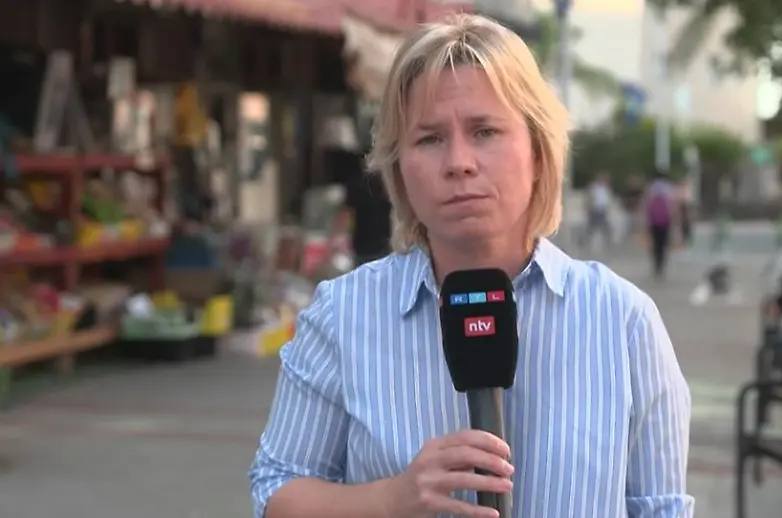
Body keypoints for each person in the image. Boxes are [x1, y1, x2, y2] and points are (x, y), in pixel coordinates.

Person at [249, 14, 693, 518]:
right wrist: (391, 499)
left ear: (539, 151)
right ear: (399, 167)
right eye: (429, 138)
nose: (459, 162)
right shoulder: (342, 315)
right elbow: (275, 490)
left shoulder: (623, 321)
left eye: (485, 131)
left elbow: (663, 508)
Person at [640, 169, 682, 279]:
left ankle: (656, 265)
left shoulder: (651, 188)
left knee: (655, 244)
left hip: (654, 221)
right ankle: (661, 265)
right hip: (665, 221)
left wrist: (645, 221)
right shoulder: (668, 188)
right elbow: (672, 206)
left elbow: (646, 204)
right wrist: (675, 220)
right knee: (664, 244)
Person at [578, 173, 615, 251]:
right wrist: (588, 207)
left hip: (602, 210)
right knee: (591, 227)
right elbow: (588, 198)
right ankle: (583, 242)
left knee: (604, 227)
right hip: (594, 210)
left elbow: (607, 200)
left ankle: (609, 242)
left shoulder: (606, 189)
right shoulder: (593, 188)